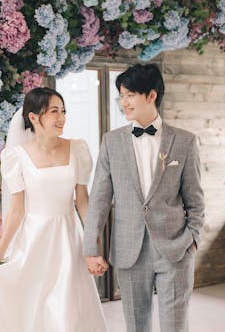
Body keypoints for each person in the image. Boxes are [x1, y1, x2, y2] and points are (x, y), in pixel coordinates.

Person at [83, 63, 205, 332]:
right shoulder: (111, 142)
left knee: (175, 326)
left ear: (151, 95)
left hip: (175, 250)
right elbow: (99, 200)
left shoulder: (185, 141)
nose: (123, 103)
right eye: (121, 96)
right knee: (136, 327)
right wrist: (91, 247)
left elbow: (196, 201)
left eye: (130, 95)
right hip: (129, 251)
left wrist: (191, 241)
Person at [0, 87, 107, 332]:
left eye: (63, 111)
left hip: (69, 239)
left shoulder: (77, 148)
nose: (62, 118)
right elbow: (16, 210)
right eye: (54, 112)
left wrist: (93, 248)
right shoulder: (16, 156)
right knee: (34, 310)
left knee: (68, 309)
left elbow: (83, 202)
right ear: (34, 117)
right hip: (33, 241)